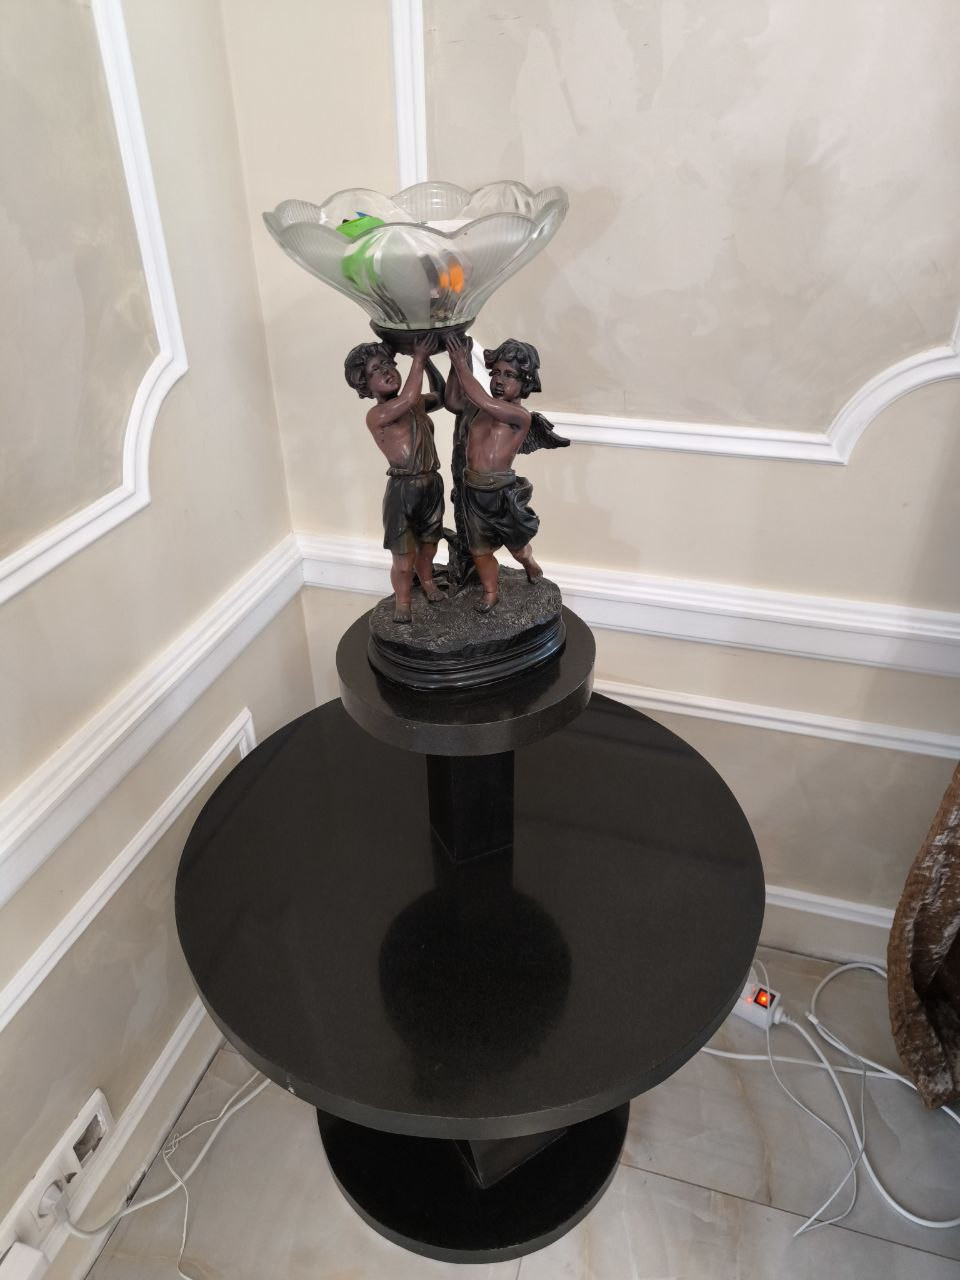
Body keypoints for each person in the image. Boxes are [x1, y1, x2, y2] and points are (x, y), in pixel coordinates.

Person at [444, 333, 568, 611]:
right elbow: (453, 401)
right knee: (480, 550)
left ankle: (528, 562)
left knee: (517, 546)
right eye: (496, 373)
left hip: (501, 494)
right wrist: (455, 364)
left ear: (526, 382)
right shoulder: (478, 409)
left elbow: (484, 400)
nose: (499, 380)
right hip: (472, 491)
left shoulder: (518, 417)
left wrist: (462, 364)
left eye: (509, 375)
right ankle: (491, 592)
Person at [344, 337, 445, 622]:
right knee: (403, 556)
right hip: (403, 490)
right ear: (365, 385)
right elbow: (409, 397)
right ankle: (403, 601)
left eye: (389, 363)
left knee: (430, 545)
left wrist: (429, 361)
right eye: (376, 369)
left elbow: (442, 394)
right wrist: (419, 357)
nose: (387, 370)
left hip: (431, 484)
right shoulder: (377, 415)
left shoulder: (415, 404)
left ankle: (427, 581)